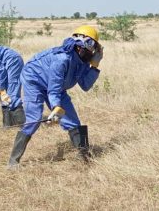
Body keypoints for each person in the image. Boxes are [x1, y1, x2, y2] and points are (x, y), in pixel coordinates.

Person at [7, 25, 103, 168]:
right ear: (79, 45)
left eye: (94, 46)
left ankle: (85, 159)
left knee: (73, 121)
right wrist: (56, 107)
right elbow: (53, 89)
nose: (91, 49)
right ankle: (13, 162)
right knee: (34, 119)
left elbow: (85, 85)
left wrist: (94, 65)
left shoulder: (83, 61)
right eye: (89, 45)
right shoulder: (62, 59)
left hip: (57, 87)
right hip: (35, 81)